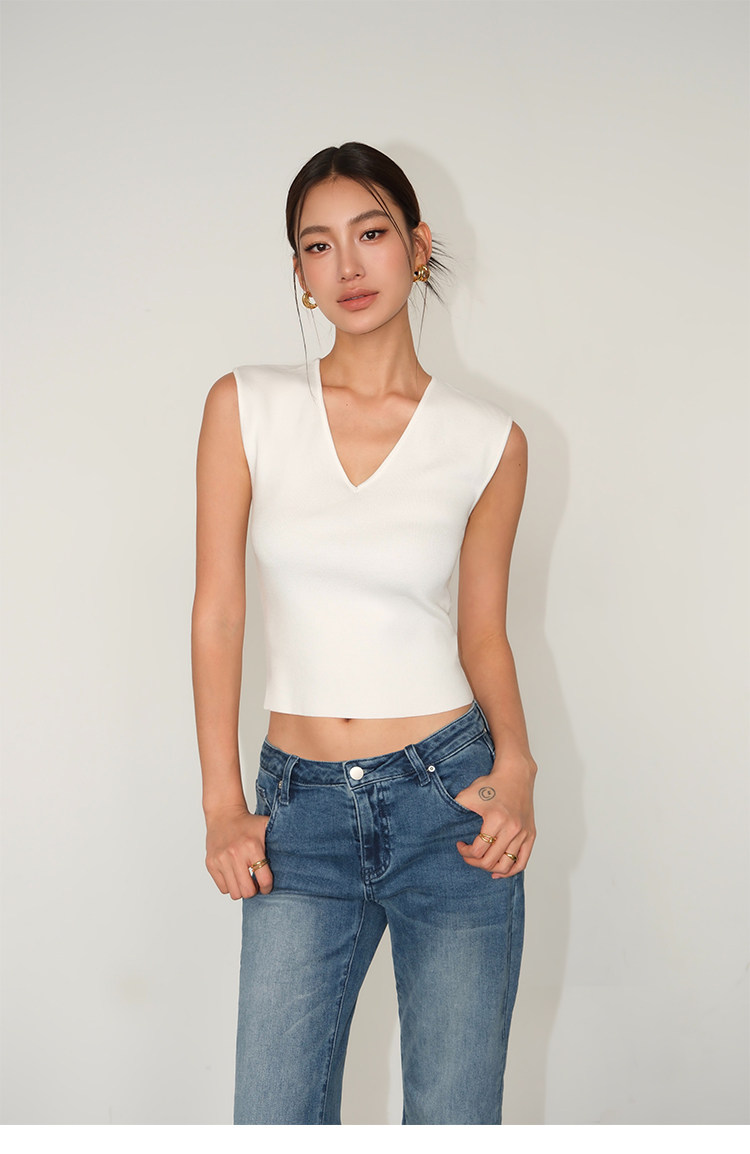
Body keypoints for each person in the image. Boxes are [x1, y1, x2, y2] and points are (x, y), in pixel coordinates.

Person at [191, 142, 537, 1126]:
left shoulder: (489, 441)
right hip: (296, 815)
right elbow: (218, 610)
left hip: (449, 801)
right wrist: (223, 802)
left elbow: (484, 633)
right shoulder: (247, 407)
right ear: (300, 272)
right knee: (274, 1121)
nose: (346, 265)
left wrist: (518, 766)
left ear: (417, 247)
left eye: (371, 233)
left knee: (454, 1122)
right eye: (317, 245)